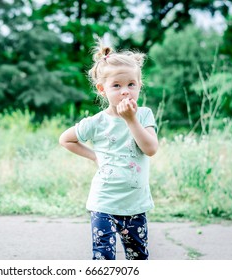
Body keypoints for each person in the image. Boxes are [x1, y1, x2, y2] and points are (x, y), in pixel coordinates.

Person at [59, 39, 158, 260]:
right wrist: (94, 156)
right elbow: (66, 139)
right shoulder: (96, 122)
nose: (125, 92)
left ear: (140, 85)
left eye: (131, 84)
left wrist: (131, 120)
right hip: (103, 203)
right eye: (117, 85)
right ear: (102, 90)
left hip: (135, 204)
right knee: (103, 259)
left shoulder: (143, 115)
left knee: (139, 259)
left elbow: (150, 149)